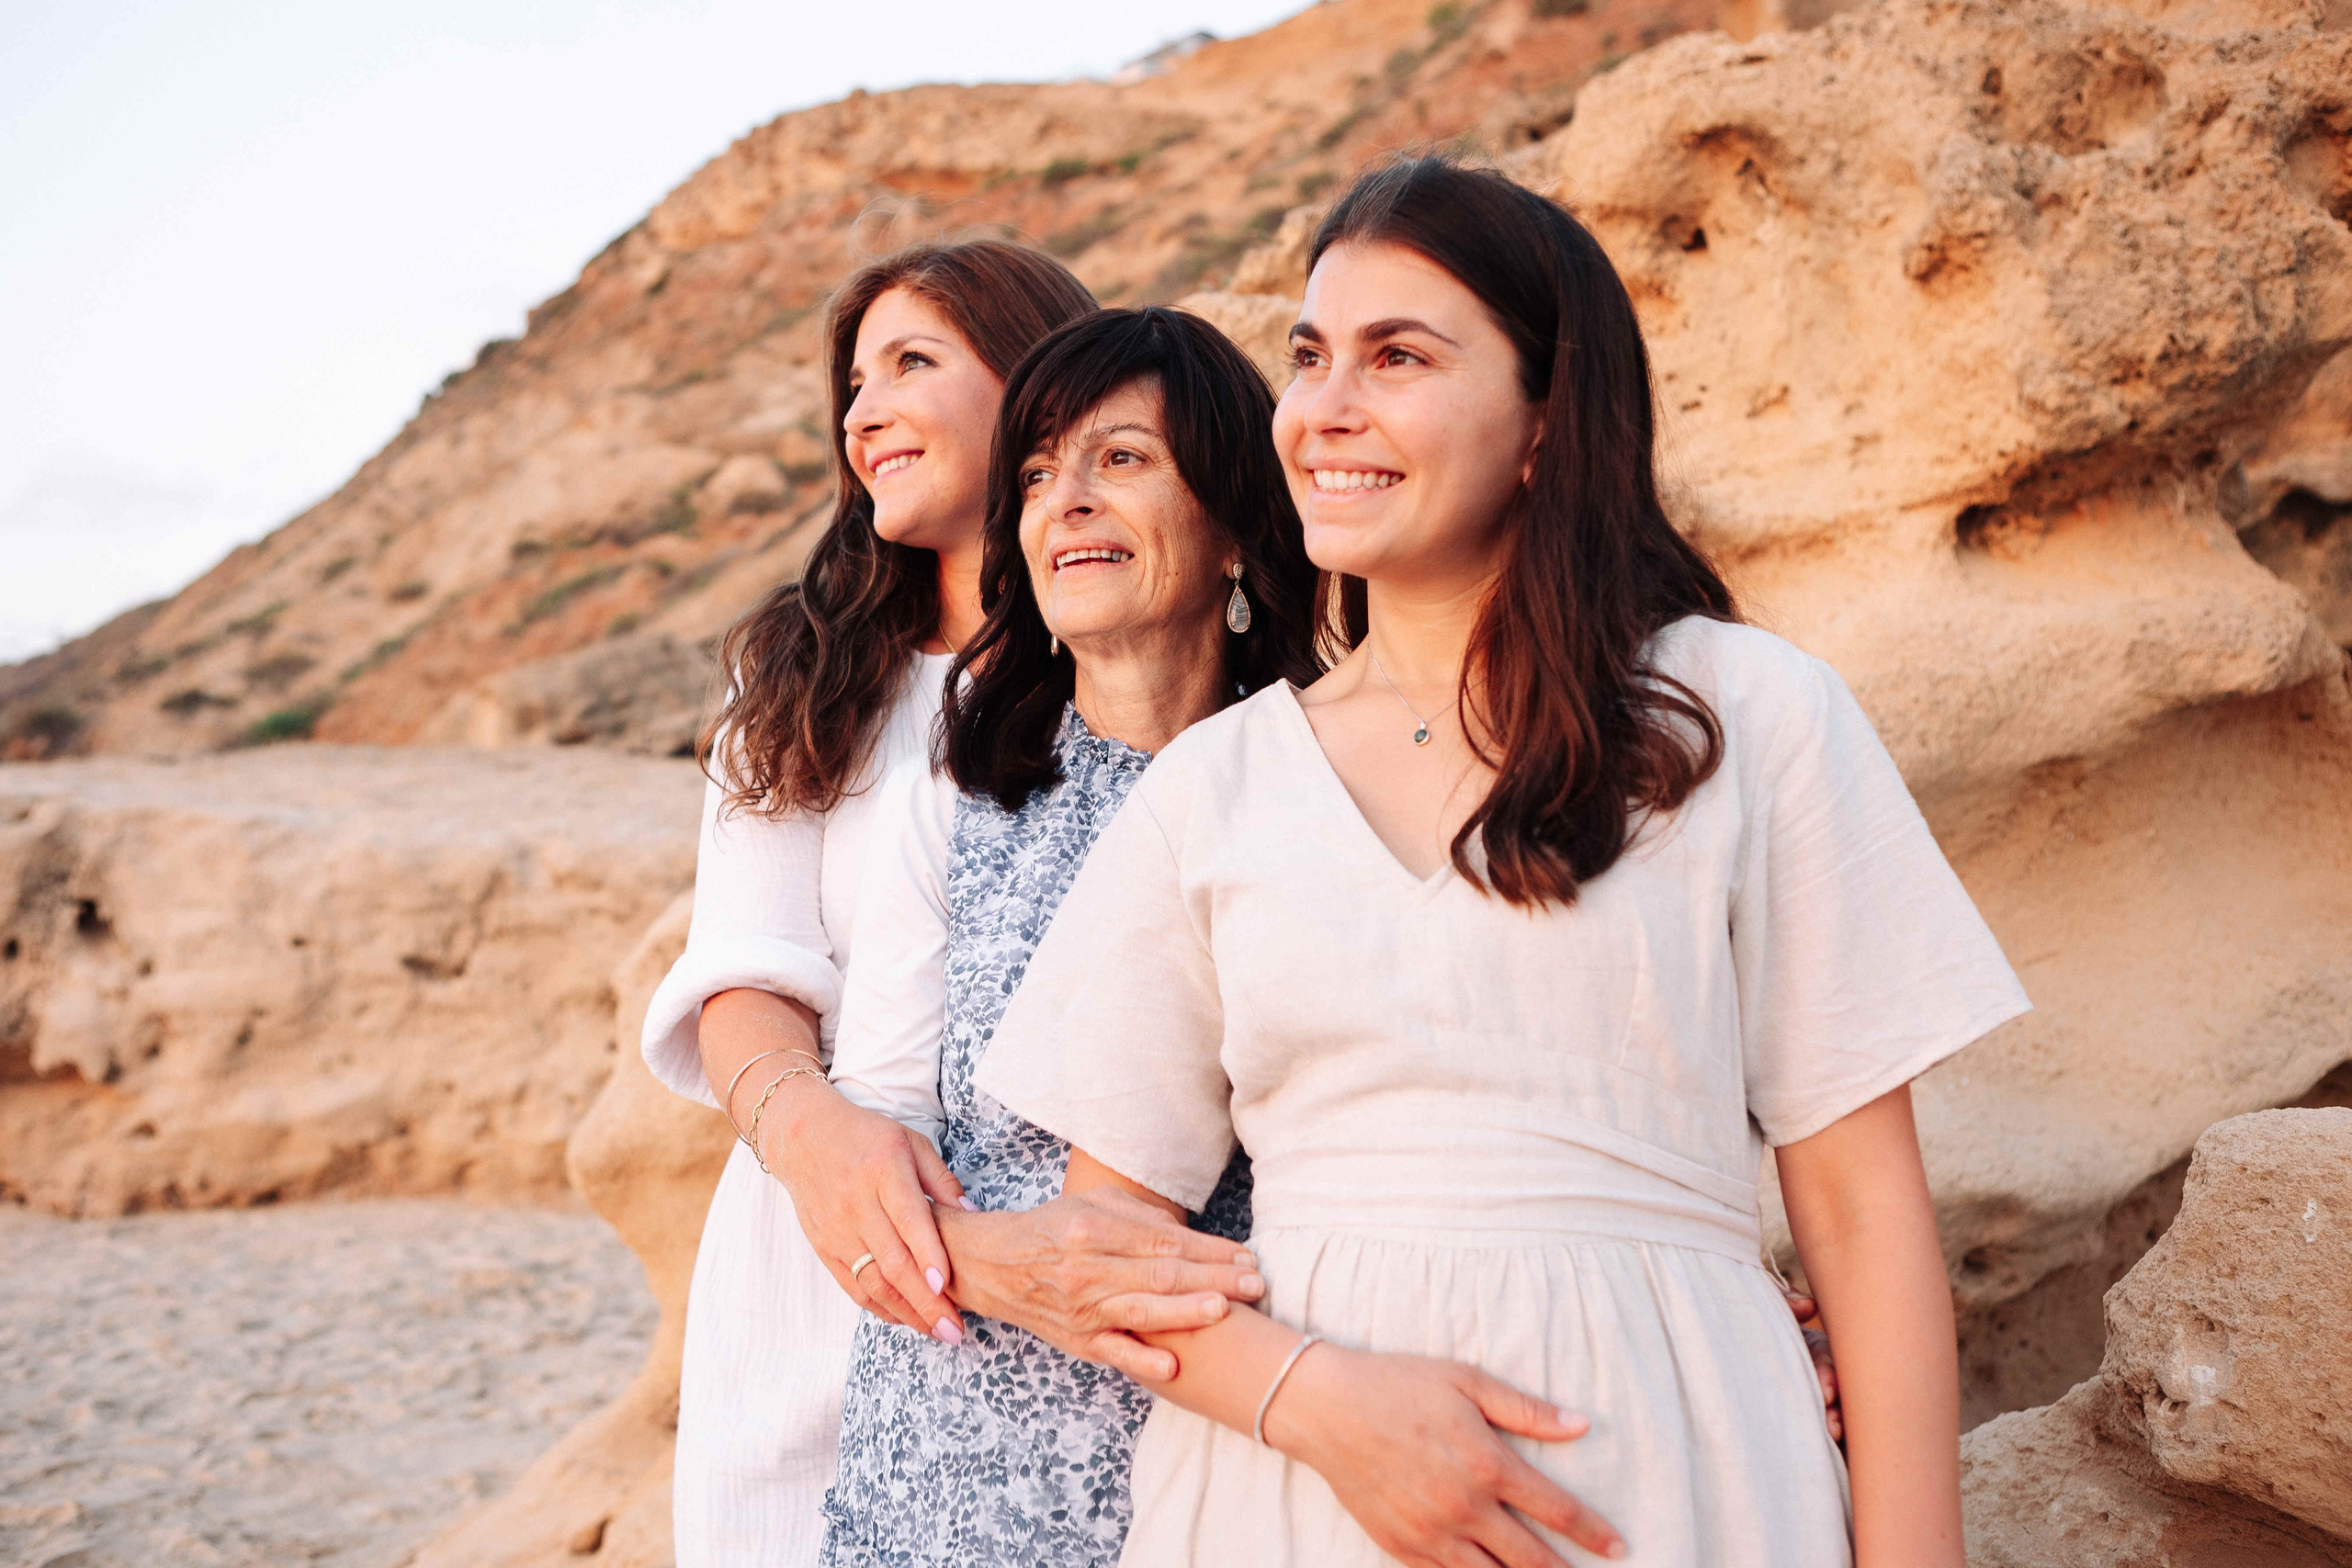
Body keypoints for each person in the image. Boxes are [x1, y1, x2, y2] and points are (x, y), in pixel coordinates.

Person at [971, 158, 2028, 1568]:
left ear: (1545, 420)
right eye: (1310, 356)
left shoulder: (1747, 715)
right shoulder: (1213, 787)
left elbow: (1862, 1213)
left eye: (1398, 356)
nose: (1326, 408)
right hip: (1293, 1502)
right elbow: (1106, 1246)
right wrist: (1319, 1405)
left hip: (1683, 1465)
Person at [638, 242, 1263, 1566]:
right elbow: (743, 971)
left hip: (1069, 1250)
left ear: (1035, 378)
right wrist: (817, 1146)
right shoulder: (805, 680)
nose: (864, 415)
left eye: (913, 364)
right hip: (823, 1219)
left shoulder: (1135, 684)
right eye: (853, 385)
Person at [808, 307, 1321, 1566]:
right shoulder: (963, 793)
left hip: (1232, 1447)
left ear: (1241, 532)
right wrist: (1001, 1269)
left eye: (1124, 460)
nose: (1067, 501)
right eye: (1038, 474)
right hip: (942, 1462)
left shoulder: (1324, 785)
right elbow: (870, 1151)